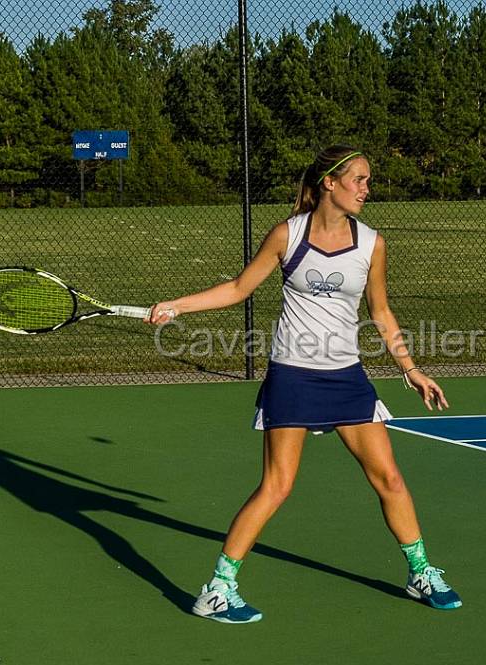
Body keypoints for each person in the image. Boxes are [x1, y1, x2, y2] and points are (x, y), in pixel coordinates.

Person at [147, 144, 462, 624]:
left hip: (346, 378)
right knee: (277, 486)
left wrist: (409, 368)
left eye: (368, 180)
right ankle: (217, 589)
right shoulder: (287, 235)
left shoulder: (372, 243)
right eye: (358, 178)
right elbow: (238, 289)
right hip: (292, 374)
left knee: (390, 478)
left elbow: (380, 311)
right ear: (330, 183)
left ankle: (421, 573)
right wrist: (177, 305)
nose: (366, 188)